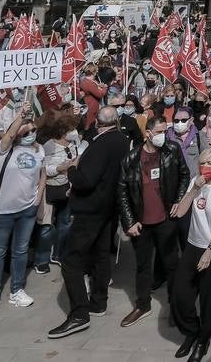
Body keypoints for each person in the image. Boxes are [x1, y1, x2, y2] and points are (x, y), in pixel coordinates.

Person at [48, 105, 131, 339]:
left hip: (90, 210)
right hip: (107, 209)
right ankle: (98, 301)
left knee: (71, 260)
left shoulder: (101, 144)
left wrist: (73, 171)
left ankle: (78, 314)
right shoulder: (122, 140)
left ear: (98, 123)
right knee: (100, 254)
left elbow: (86, 180)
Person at [116, 115, 188, 327]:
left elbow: (184, 175)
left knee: (171, 265)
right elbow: (121, 191)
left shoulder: (172, 150)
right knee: (142, 266)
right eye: (159, 132)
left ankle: (175, 307)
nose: (163, 136)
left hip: (166, 219)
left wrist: (178, 200)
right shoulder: (131, 158)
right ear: (147, 133)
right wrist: (129, 221)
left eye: (165, 131)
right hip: (141, 223)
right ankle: (142, 304)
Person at [169, 148, 211, 361]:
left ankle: (203, 339)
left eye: (208, 163)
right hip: (192, 246)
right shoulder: (196, 182)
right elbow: (180, 212)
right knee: (180, 294)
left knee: (209, 299)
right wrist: (193, 190)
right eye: (201, 162)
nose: (203, 167)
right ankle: (192, 331)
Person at [0, 102, 44, 318]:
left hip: (27, 209)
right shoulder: (4, 150)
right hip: (3, 210)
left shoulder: (39, 149)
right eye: (27, 131)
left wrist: (38, 198)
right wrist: (20, 116)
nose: (32, 134)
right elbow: (8, 136)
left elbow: (42, 174)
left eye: (34, 130)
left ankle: (17, 289)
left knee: (21, 251)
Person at [35, 109, 81, 272]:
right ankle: (41, 259)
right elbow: (45, 169)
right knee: (47, 226)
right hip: (50, 188)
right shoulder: (49, 145)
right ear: (63, 131)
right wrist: (63, 167)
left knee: (65, 224)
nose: (74, 132)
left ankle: (59, 254)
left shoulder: (74, 143)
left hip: (68, 189)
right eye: (71, 129)